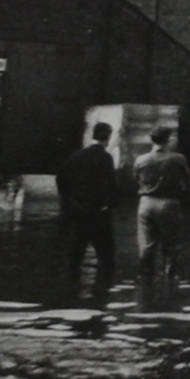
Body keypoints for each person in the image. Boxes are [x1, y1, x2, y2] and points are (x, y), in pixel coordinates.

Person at [133, 125, 190, 309]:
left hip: (146, 203)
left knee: (147, 246)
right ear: (169, 139)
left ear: (152, 139)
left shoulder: (141, 160)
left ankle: (145, 286)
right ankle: (170, 285)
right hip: (169, 203)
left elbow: (136, 179)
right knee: (171, 246)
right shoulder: (178, 159)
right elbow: (188, 181)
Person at [56, 122, 118, 295]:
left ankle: (70, 292)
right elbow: (112, 184)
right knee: (106, 256)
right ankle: (102, 292)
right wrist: (111, 204)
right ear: (108, 137)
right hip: (98, 211)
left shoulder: (77, 156)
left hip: (78, 209)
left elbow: (61, 177)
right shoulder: (106, 158)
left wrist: (68, 198)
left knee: (76, 252)